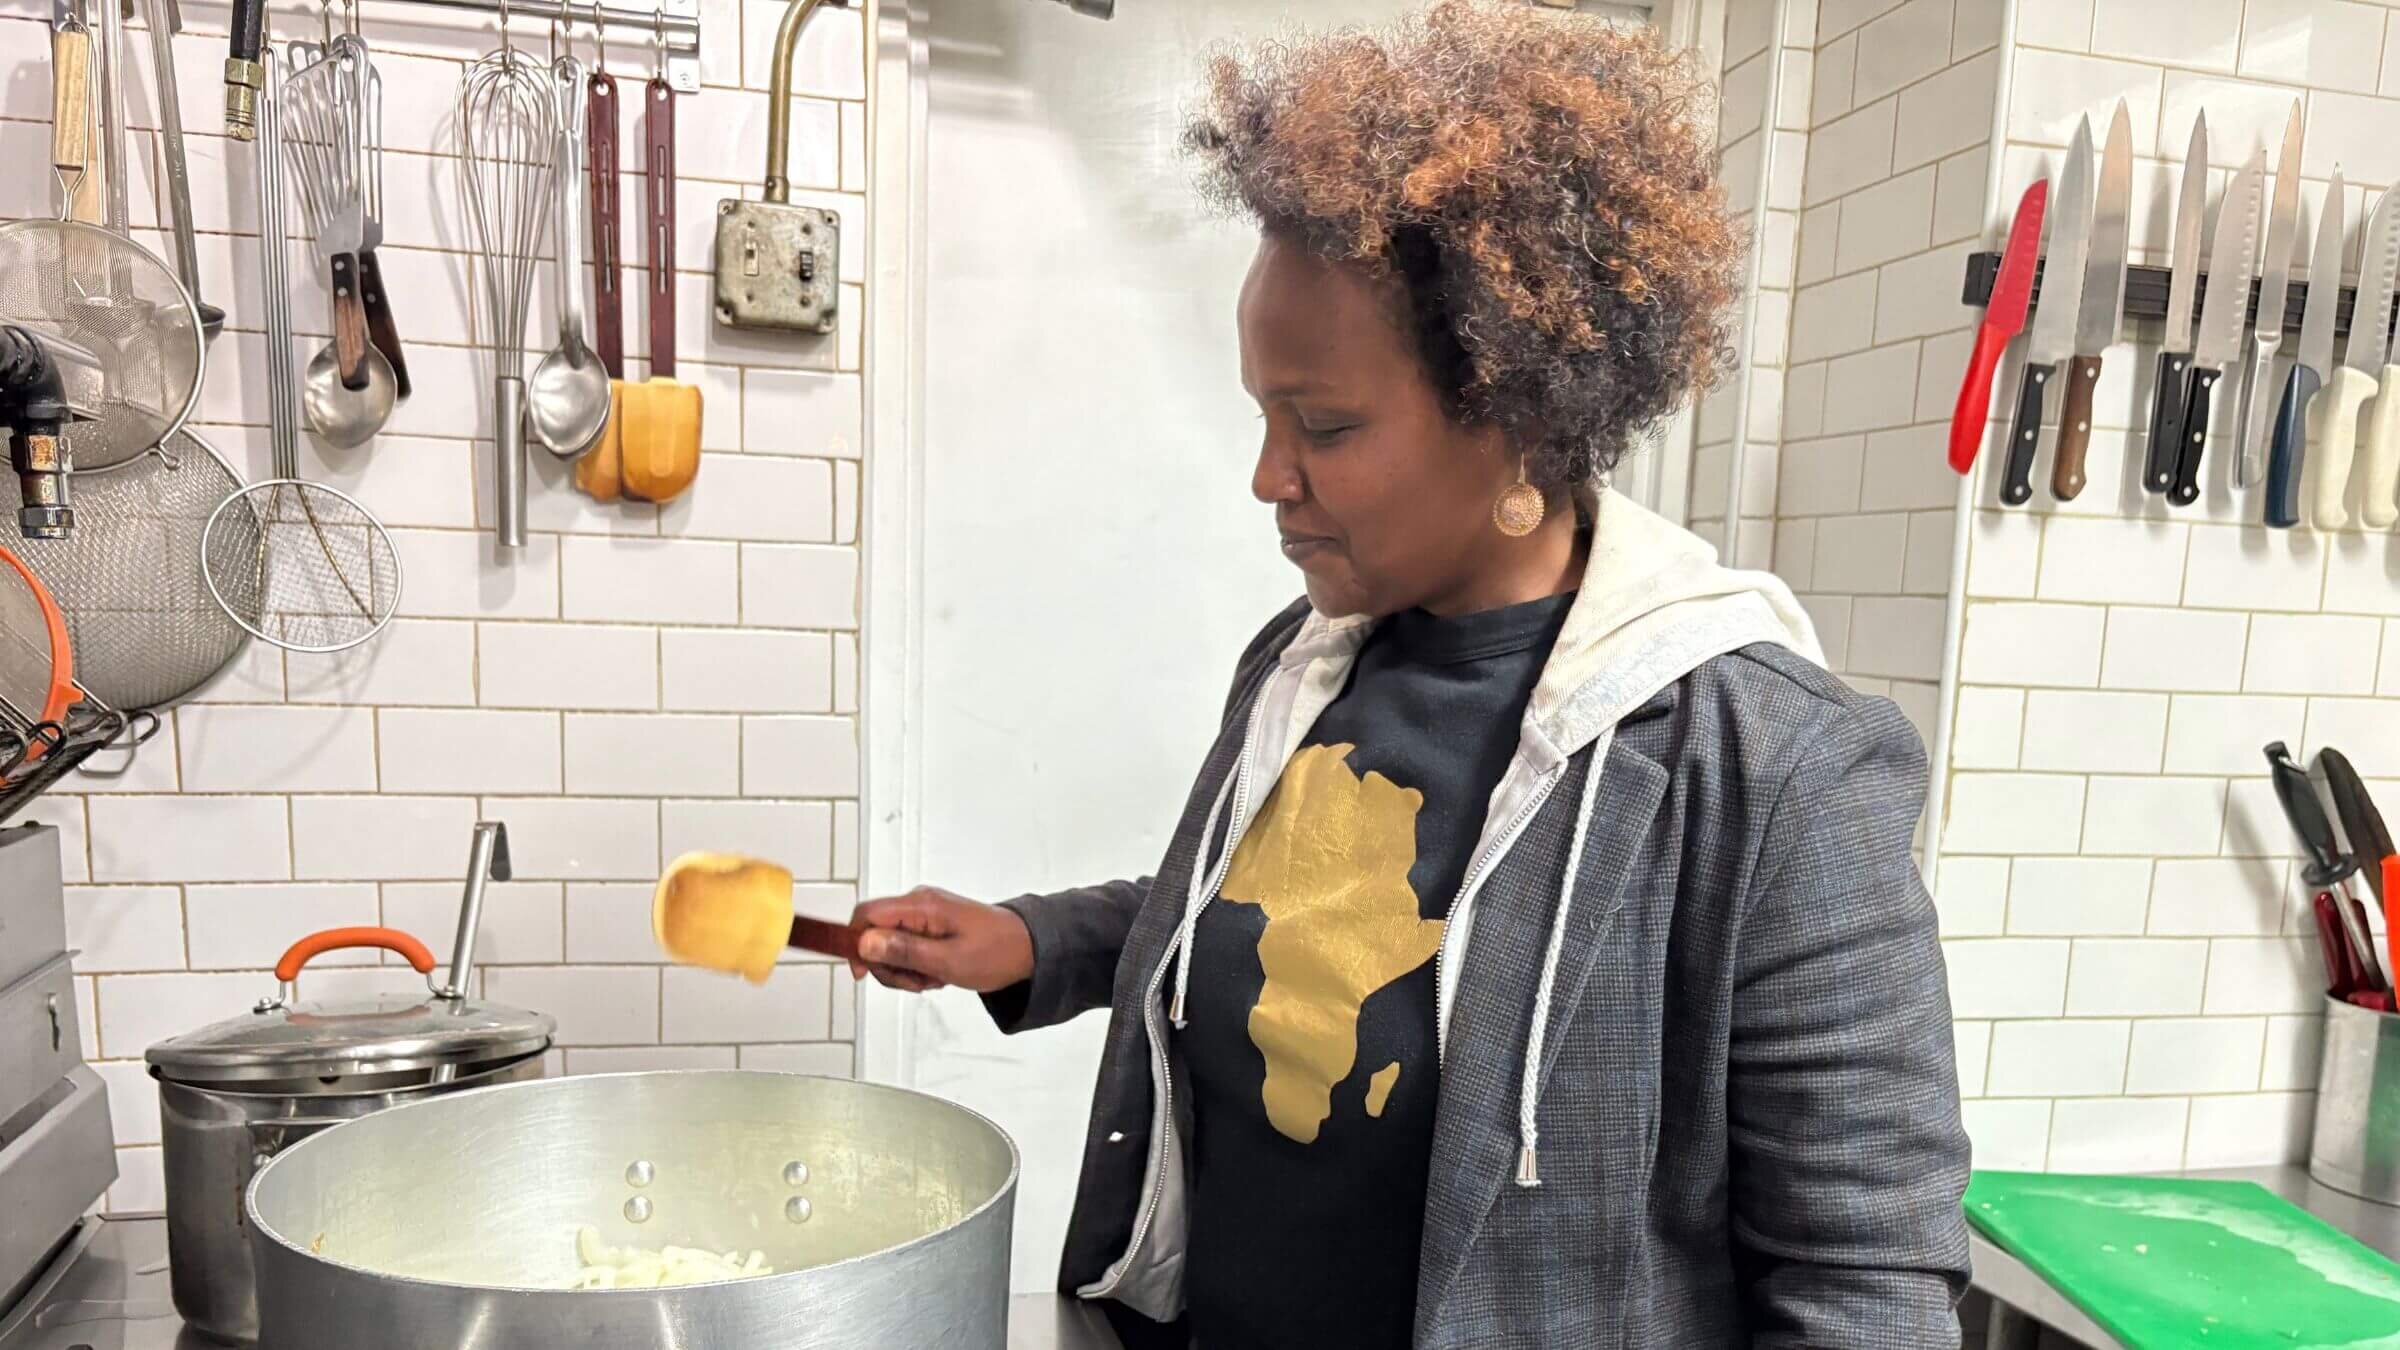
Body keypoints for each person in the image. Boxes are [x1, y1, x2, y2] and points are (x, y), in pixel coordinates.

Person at [848, 3, 1972, 1346]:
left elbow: (1865, 1279)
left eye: (1323, 426)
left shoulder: (1777, 766)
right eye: (1264, 415)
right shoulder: (1307, 659)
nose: (1268, 477)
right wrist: (1040, 943)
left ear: (1518, 415)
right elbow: (1282, 908)